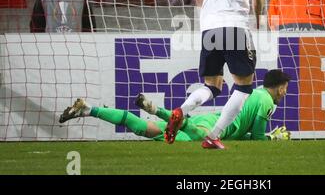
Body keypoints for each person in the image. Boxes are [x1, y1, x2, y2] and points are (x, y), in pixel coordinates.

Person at [164, 0, 267, 149]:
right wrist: (258, 17)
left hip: (209, 26)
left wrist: (213, 16)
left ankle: (182, 110)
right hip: (234, 25)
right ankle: (214, 136)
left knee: (212, 85)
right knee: (243, 86)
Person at [58, 70, 291, 142]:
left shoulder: (255, 92)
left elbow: (247, 133)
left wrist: (266, 136)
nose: (286, 92)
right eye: (286, 88)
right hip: (213, 128)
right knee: (193, 133)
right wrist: (272, 138)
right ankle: (160, 111)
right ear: (279, 87)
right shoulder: (268, 102)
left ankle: (89, 110)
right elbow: (258, 138)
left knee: (145, 129)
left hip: (211, 119)